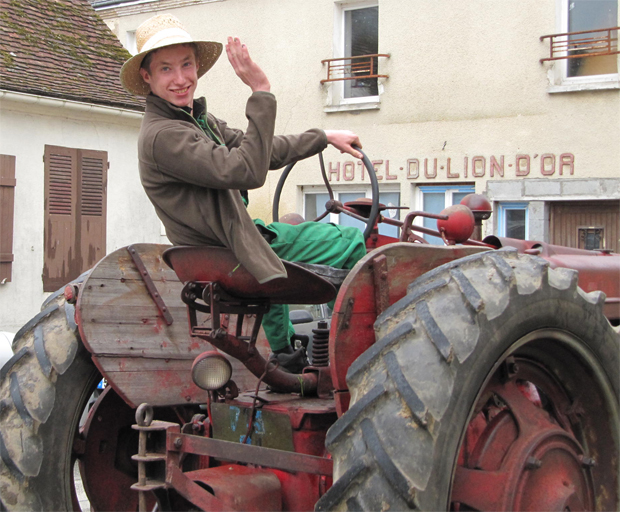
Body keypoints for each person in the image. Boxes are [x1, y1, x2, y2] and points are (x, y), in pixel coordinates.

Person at [120, 14, 366, 371]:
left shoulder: (195, 121)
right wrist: (260, 90)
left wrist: (323, 137)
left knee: (275, 249)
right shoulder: (163, 135)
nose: (180, 79)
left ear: (196, 66)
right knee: (351, 243)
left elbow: (258, 150)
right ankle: (355, 360)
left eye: (186, 65)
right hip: (226, 252)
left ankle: (285, 355)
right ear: (147, 76)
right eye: (165, 69)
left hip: (232, 243)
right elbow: (246, 171)